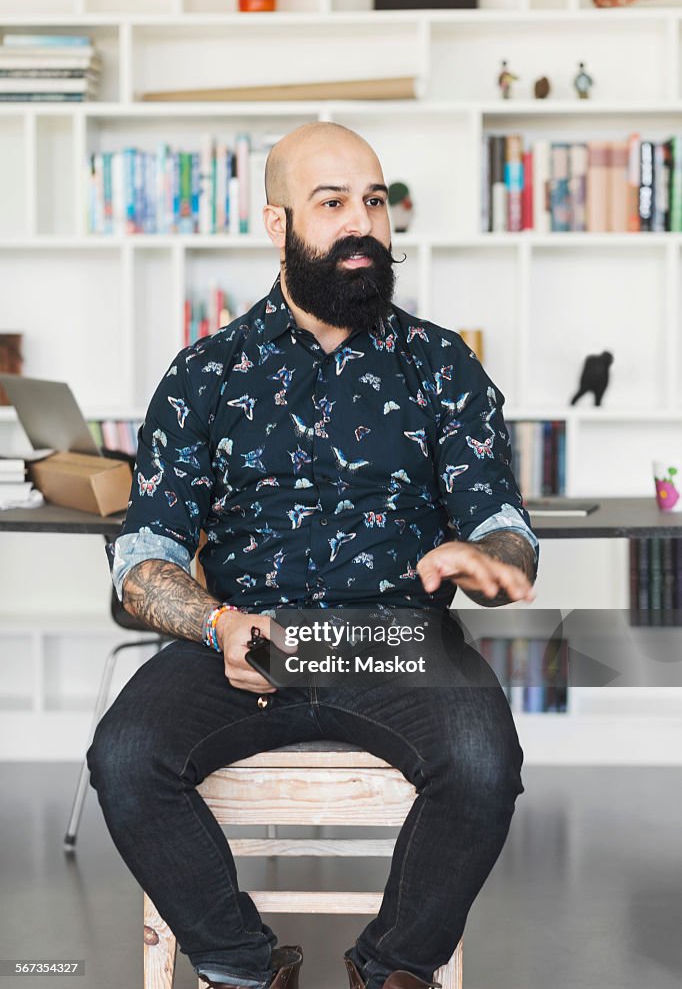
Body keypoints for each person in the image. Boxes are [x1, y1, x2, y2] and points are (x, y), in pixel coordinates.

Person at [87, 122, 539, 989]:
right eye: (331, 203)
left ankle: (393, 968)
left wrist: (498, 557)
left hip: (399, 642)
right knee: (125, 755)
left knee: (484, 765)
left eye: (375, 200)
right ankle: (244, 965)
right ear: (277, 223)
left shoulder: (445, 367)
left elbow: (500, 519)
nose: (361, 222)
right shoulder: (205, 373)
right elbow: (144, 558)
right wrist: (217, 622)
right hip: (245, 639)